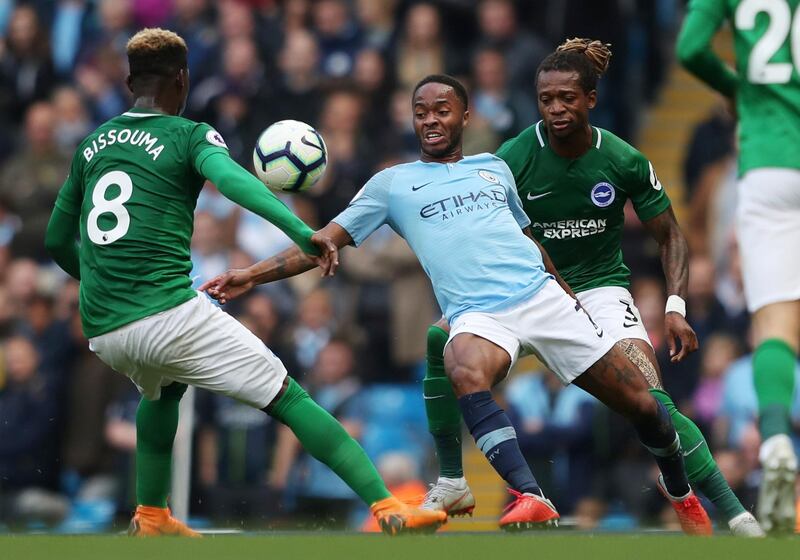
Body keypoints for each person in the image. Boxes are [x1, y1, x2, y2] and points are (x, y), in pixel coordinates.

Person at [201, 74, 711, 533]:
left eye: (441, 110)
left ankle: (679, 489)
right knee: (461, 364)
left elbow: (530, 241)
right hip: (479, 313)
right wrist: (251, 274)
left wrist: (569, 297)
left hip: (545, 299)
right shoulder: (391, 185)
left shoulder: (494, 169)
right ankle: (530, 495)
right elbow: (320, 243)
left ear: (464, 116)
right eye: (421, 112)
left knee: (644, 408)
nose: (430, 120)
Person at [45, 27, 446, 537]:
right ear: (182, 79)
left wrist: (101, 283)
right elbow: (232, 180)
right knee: (290, 397)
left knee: (162, 391)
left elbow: (58, 241)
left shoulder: (90, 146)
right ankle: (389, 506)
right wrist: (303, 231)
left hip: (105, 328)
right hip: (167, 315)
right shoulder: (188, 135)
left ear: (129, 82)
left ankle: (151, 516)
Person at [419, 40, 761, 537]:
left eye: (567, 98)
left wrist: (675, 305)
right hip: (523, 291)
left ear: (591, 100)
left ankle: (722, 509)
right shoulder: (512, 159)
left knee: (652, 399)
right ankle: (452, 477)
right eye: (546, 100)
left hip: (599, 292)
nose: (555, 109)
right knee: (437, 340)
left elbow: (672, 235)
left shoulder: (622, 159)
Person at [676, 0, 800, 534]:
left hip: (769, 160)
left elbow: (689, 49)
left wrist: (739, 90)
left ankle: (774, 438)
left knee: (775, 324)